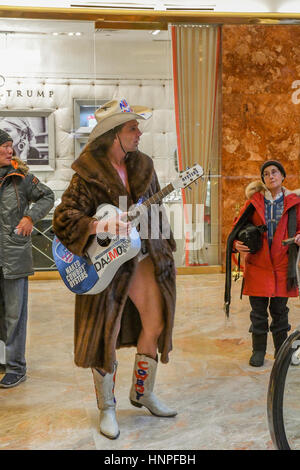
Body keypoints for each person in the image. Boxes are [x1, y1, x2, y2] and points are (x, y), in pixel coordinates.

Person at [53, 99, 177, 440]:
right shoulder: (87, 175)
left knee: (156, 321)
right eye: (132, 128)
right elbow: (63, 219)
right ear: (113, 135)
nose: (139, 134)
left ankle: (143, 392)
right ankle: (107, 407)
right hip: (102, 263)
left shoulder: (145, 167)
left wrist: (164, 246)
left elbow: (156, 214)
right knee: (105, 330)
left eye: (137, 127)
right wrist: (98, 227)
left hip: (143, 256)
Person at [0, 129, 54, 388]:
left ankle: (16, 367)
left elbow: (48, 196)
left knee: (14, 315)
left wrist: (30, 217)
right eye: (5, 146)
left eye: (11, 146)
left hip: (14, 254)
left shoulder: (21, 178)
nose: (10, 151)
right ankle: (3, 360)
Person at [233, 160, 300, 367]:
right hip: (257, 266)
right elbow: (237, 229)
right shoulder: (254, 202)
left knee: (280, 313)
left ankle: (281, 353)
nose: (271, 176)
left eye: (275, 172)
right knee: (258, 314)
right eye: (266, 174)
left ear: (282, 177)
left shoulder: (294, 203)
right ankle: (259, 351)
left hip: (282, 266)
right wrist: (236, 243)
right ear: (263, 180)